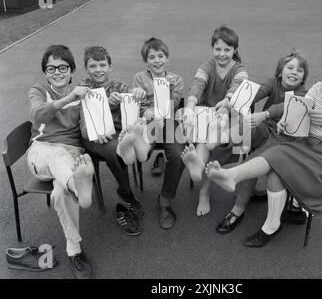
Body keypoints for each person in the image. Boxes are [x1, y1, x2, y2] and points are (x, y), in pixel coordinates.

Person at [205, 45, 322, 247]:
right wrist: (286, 122)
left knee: (276, 158)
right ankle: (266, 217)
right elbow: (297, 111)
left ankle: (239, 182)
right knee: (276, 159)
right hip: (308, 145)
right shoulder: (318, 88)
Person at [215, 50, 309, 234]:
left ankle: (237, 208)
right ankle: (220, 140)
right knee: (243, 125)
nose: (294, 72)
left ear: (304, 77)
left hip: (285, 139)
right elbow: (257, 92)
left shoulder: (302, 93)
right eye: (290, 67)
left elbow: (282, 107)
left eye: (299, 70)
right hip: (266, 128)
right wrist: (230, 101)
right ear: (280, 71)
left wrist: (265, 114)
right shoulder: (273, 82)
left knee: (254, 158)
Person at [27, 45, 94, 278]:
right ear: (45, 73)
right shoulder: (38, 90)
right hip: (42, 152)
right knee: (58, 156)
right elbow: (38, 115)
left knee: (59, 193)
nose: (57, 72)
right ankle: (79, 186)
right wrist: (69, 97)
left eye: (62, 67)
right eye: (51, 68)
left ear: (71, 70)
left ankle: (73, 249)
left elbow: (86, 129)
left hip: (72, 152)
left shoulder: (82, 95)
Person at [117, 37, 185, 230]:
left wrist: (169, 90)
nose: (157, 60)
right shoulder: (139, 78)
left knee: (178, 156)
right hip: (147, 123)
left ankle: (164, 202)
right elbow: (136, 104)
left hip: (170, 123)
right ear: (146, 61)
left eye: (160, 56)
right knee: (144, 136)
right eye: (151, 57)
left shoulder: (176, 79)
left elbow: (174, 106)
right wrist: (143, 109)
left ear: (167, 58)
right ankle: (141, 148)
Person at [181, 25, 248, 217]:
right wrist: (190, 107)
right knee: (204, 138)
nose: (222, 53)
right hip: (207, 115)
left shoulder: (240, 69)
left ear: (235, 50)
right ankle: (197, 167)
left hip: (228, 114)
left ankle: (204, 190)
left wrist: (226, 102)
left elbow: (238, 86)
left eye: (227, 49)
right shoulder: (207, 65)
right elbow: (197, 85)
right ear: (212, 49)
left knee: (217, 142)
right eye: (218, 49)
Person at [79, 46, 146, 236]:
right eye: (93, 66)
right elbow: (83, 123)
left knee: (118, 147)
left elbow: (133, 105)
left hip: (117, 135)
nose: (98, 69)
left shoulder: (118, 85)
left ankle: (125, 191)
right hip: (93, 137)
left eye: (102, 64)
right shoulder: (84, 89)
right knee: (116, 149)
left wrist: (136, 93)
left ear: (110, 66)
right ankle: (127, 194)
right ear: (86, 68)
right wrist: (105, 105)